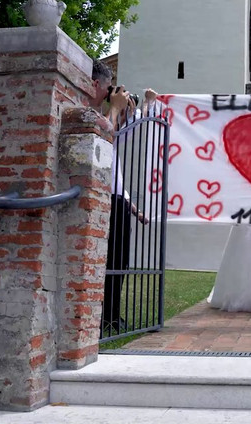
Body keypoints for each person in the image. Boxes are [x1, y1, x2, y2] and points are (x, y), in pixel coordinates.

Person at [91, 59, 150, 335]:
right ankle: (102, 317)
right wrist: (114, 108)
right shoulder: (94, 118)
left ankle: (112, 316)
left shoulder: (111, 122)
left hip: (118, 200)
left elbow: (124, 132)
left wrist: (142, 105)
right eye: (107, 88)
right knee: (108, 262)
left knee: (120, 262)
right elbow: (105, 137)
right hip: (103, 199)